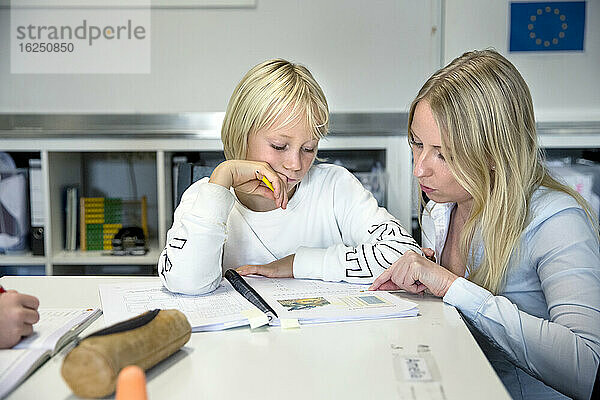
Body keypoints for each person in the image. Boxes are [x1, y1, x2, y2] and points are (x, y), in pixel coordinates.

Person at [370, 49, 600, 400]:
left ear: (494, 153)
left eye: (444, 154)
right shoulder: (444, 207)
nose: (419, 168)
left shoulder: (558, 221)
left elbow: (587, 370)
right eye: (417, 144)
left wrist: (453, 287)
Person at [158, 58, 420, 295]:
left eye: (309, 149)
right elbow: (186, 283)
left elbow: (406, 256)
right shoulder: (202, 198)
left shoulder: (335, 187)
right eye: (279, 146)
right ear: (241, 133)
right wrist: (223, 177)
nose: (295, 164)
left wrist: (297, 264)